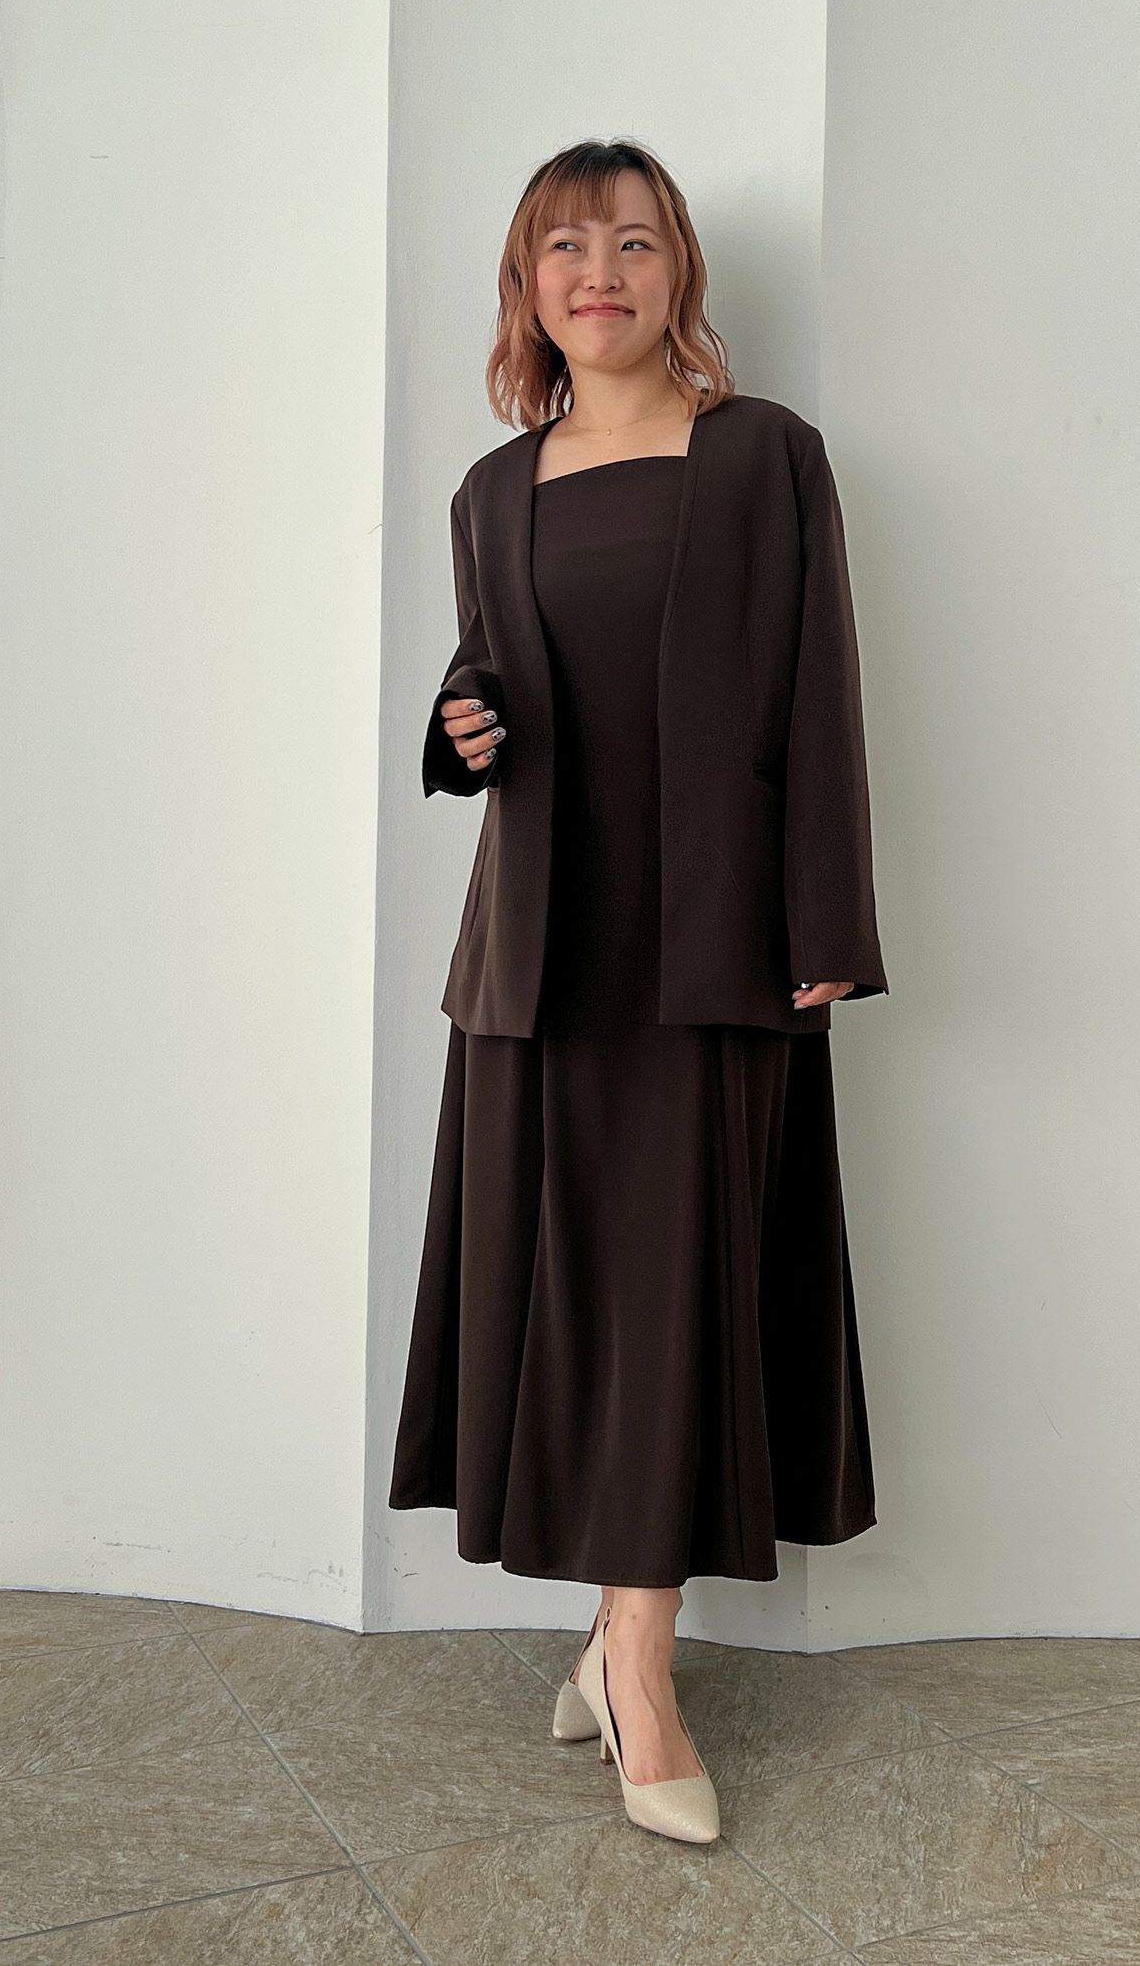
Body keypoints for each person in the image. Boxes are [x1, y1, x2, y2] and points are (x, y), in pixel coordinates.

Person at [388, 137, 888, 1845]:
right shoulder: (489, 493)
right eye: (563, 247)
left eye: (632, 243)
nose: (597, 273)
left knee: (677, 1298)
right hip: (540, 955)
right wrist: (457, 732)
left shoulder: (766, 456)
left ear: (678, 275)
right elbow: (493, 690)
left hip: (716, 942)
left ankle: (641, 1670)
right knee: (576, 1302)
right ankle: (619, 1651)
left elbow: (820, 692)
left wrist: (827, 916)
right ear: (526, 288)